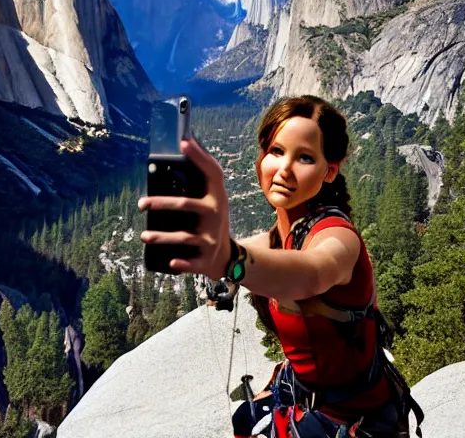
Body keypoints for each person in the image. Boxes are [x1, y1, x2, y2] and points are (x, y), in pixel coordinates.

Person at [139, 95, 421, 437]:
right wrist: (226, 269)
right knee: (244, 418)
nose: (284, 169)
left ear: (329, 170)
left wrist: (230, 260)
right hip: (302, 387)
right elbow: (256, 258)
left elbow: (311, 272)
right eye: (275, 151)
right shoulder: (278, 236)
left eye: (304, 157)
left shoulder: (339, 239)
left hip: (351, 417)